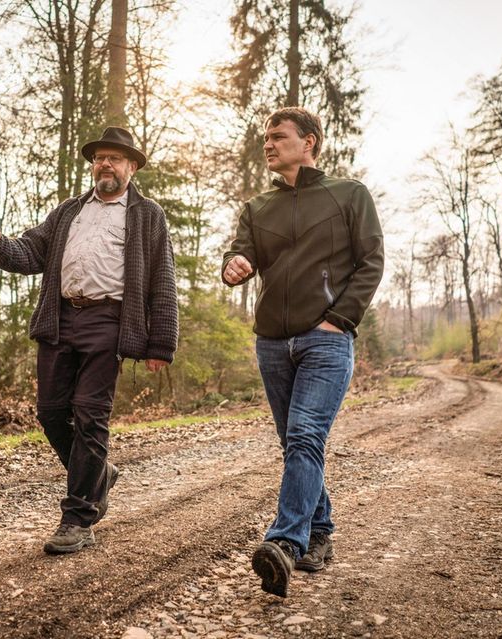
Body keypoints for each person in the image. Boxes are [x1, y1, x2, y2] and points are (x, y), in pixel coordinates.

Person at [0, 126, 178, 555]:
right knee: (50, 413)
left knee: (89, 416)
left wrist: (161, 344)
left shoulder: (147, 214)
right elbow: (31, 252)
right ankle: (99, 473)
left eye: (115, 158)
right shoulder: (69, 211)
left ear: (131, 167)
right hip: (60, 319)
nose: (105, 164)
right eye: (100, 157)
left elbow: (163, 281)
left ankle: (78, 518)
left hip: (109, 320)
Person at [222, 107, 384, 596]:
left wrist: (339, 320)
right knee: (296, 443)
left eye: (278, 137)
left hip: (326, 339)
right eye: (265, 138)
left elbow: (372, 261)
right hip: (272, 341)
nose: (268, 145)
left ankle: (285, 544)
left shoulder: (349, 194)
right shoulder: (258, 206)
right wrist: (236, 264)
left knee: (306, 434)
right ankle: (321, 532)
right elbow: (240, 250)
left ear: (309, 141)